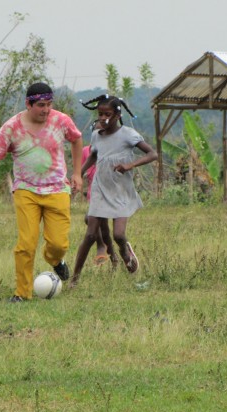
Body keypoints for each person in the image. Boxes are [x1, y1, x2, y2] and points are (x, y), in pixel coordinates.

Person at [0, 82, 83, 302]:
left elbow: (76, 139)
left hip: (57, 190)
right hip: (26, 190)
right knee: (26, 243)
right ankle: (22, 293)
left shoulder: (61, 121)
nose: (45, 110)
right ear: (28, 104)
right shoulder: (12, 127)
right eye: (41, 105)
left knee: (58, 244)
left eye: (48, 104)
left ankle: (55, 260)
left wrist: (77, 173)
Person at [69, 94, 157, 287]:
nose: (102, 118)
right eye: (100, 114)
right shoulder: (96, 135)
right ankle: (74, 279)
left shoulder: (128, 134)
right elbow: (93, 156)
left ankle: (125, 252)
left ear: (117, 115)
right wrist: (79, 174)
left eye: (106, 114)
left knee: (118, 235)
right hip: (100, 187)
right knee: (90, 234)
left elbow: (152, 154)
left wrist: (130, 165)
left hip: (120, 190)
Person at [81, 143, 109, 266]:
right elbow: (82, 169)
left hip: (108, 190)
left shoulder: (110, 147)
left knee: (93, 220)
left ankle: (102, 246)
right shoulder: (85, 151)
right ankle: (111, 256)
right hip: (93, 192)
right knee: (102, 226)